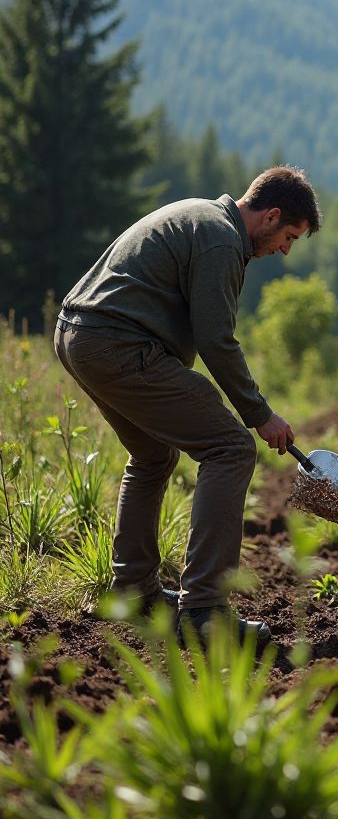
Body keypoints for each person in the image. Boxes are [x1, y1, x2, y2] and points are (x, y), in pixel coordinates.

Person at [54, 166, 321, 644]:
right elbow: (216, 341)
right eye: (289, 236)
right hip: (115, 344)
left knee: (154, 455)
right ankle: (206, 611)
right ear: (272, 216)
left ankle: (134, 593)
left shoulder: (200, 217)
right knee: (231, 449)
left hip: (80, 337)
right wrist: (259, 415)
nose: (284, 249)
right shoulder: (221, 240)